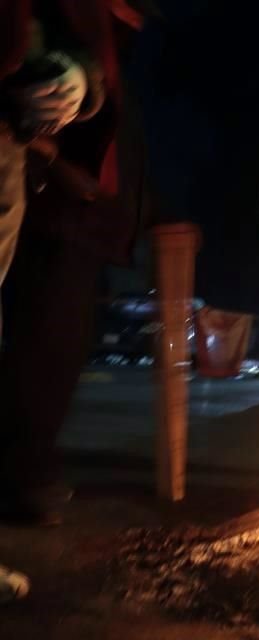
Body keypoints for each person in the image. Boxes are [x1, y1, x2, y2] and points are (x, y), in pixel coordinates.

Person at [0, 0, 133, 526]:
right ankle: (23, 474)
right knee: (44, 339)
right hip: (46, 190)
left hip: (55, 191)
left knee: (60, 344)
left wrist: (81, 79)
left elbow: (71, 57)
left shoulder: (104, 20)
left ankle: (28, 472)